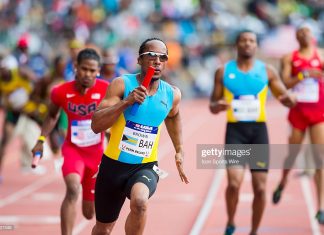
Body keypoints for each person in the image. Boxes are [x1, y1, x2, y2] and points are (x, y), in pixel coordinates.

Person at [90, 38, 189, 235]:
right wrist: (126, 102)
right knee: (103, 229)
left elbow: (173, 115)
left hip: (145, 166)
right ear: (139, 60)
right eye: (151, 56)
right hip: (113, 166)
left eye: (162, 57)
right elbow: (96, 124)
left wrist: (179, 149)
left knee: (140, 201)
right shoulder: (121, 84)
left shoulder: (171, 94)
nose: (157, 61)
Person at [209, 30, 296, 235]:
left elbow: (283, 96)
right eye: (244, 40)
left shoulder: (267, 71)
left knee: (260, 188)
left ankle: (254, 231)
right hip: (235, 133)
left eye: (252, 41)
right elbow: (212, 105)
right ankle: (231, 221)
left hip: (258, 133)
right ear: (237, 45)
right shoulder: (223, 72)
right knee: (233, 183)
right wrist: (218, 105)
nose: (248, 44)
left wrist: (290, 100)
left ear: (256, 46)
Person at [31, 48, 109, 235]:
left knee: (89, 213)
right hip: (73, 150)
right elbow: (51, 116)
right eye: (84, 69)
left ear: (98, 71)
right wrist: (41, 139)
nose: (87, 74)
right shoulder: (60, 92)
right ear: (75, 67)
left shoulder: (106, 88)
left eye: (92, 71)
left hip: (96, 153)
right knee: (72, 189)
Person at [272, 24, 324, 224]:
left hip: (318, 111)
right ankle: (282, 182)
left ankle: (320, 207)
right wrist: (303, 75)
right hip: (298, 111)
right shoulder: (289, 58)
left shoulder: (320, 55)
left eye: (307, 31)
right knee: (292, 154)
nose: (304, 34)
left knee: (320, 158)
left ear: (312, 36)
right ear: (296, 37)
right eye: (300, 32)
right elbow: (284, 83)